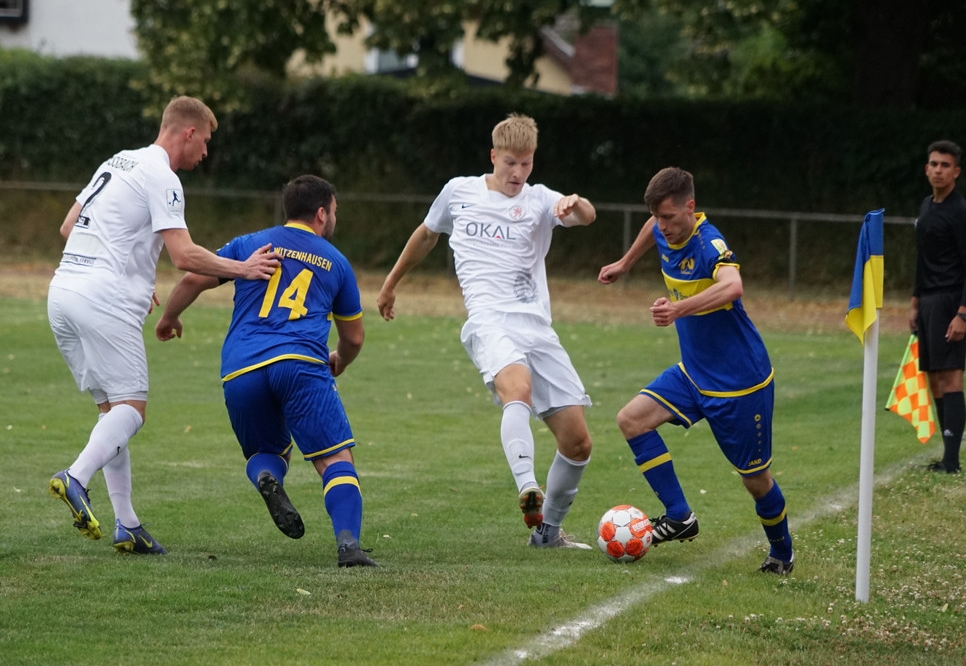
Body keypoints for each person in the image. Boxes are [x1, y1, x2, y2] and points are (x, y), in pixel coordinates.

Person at [47, 95, 280, 554]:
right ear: (188, 132)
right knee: (132, 410)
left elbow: (68, 227)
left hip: (63, 292)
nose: (206, 152)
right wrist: (244, 269)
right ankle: (75, 476)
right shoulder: (163, 176)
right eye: (205, 140)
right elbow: (184, 255)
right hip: (103, 300)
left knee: (112, 413)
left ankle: (128, 525)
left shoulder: (117, 161)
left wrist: (129, 271)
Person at [376, 113, 597, 549]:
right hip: (488, 321)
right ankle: (527, 485)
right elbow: (426, 235)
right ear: (493, 156)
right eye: (510, 163)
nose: (518, 173)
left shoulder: (541, 200)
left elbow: (587, 217)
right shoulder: (459, 191)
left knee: (578, 443)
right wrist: (390, 283)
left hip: (537, 328)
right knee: (518, 389)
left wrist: (575, 203)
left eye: (526, 164)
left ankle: (548, 534)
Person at [155, 174, 377, 567]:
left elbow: (192, 279)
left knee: (267, 451)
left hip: (241, 368)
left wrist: (169, 317)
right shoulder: (336, 262)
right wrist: (339, 360)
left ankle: (264, 477)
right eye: (334, 211)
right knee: (335, 458)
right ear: (321, 213)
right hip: (300, 365)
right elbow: (354, 338)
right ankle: (349, 546)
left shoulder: (250, 244)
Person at [598, 167, 795, 575]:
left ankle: (782, 553)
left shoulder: (709, 244)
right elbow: (651, 227)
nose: (662, 226)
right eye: (658, 217)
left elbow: (733, 286)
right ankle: (679, 516)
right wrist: (625, 262)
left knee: (755, 480)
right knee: (632, 420)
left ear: (691, 207)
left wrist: (677, 309)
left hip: (740, 383)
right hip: (693, 374)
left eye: (669, 217)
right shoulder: (663, 228)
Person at [910, 140, 966, 474]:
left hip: (951, 301)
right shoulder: (926, 207)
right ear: (926, 169)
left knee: (951, 377)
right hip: (927, 302)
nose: (939, 170)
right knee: (935, 379)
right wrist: (915, 301)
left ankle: (952, 462)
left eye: (945, 165)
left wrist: (962, 313)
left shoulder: (962, 214)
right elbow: (922, 259)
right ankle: (946, 456)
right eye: (934, 164)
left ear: (956, 171)